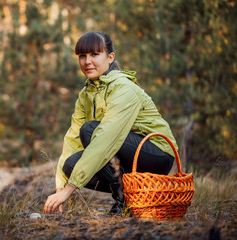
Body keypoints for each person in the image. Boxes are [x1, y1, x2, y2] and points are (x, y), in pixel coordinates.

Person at [43, 31, 178, 215]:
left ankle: (122, 200)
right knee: (71, 165)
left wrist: (70, 190)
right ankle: (129, 197)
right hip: (126, 153)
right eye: (82, 56)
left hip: (156, 153)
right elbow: (72, 139)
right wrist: (61, 185)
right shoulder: (86, 93)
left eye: (94, 54)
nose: (87, 61)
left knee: (90, 131)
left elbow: (106, 138)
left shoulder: (123, 87)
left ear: (110, 57)